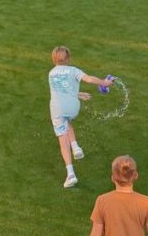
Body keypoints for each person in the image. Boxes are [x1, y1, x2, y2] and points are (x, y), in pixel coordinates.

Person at [47, 45, 114, 188]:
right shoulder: (73, 70)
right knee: (67, 121)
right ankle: (76, 147)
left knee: (62, 138)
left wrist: (102, 83)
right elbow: (88, 79)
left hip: (57, 109)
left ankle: (70, 174)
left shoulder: (51, 73)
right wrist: (104, 83)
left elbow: (60, 90)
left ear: (53, 59)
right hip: (73, 107)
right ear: (68, 58)